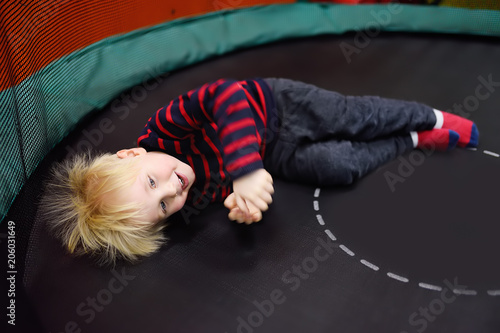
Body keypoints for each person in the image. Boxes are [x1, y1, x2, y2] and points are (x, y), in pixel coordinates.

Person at [42, 78, 479, 265]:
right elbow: (226, 186)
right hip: (270, 152)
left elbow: (227, 95)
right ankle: (415, 140)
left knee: (355, 116)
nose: (172, 190)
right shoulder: (189, 198)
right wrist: (241, 201)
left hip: (275, 104)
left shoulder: (164, 130)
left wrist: (245, 168)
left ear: (129, 155)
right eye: (161, 207)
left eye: (153, 182)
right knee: (338, 167)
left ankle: (431, 117)